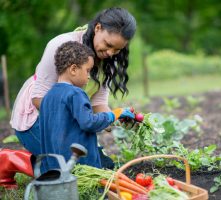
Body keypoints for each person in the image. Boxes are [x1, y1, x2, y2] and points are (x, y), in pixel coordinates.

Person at [9, 7, 136, 156]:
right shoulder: (61, 45)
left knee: (100, 165)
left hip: (72, 121)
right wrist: (80, 119)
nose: (110, 53)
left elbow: (98, 104)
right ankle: (18, 161)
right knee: (75, 168)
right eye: (108, 45)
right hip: (37, 119)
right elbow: (38, 98)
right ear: (98, 28)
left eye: (117, 50)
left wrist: (115, 118)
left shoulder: (108, 61)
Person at [40, 41, 134, 172]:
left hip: (55, 167)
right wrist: (114, 114)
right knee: (95, 189)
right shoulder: (76, 94)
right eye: (88, 70)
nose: (89, 77)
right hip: (81, 165)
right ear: (73, 69)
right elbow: (88, 123)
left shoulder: (48, 97)